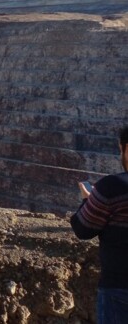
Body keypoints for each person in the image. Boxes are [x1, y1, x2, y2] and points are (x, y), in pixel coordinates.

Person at [71, 126, 128, 323]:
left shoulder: (112, 187)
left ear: (124, 148)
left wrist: (89, 200)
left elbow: (83, 228)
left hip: (119, 289)